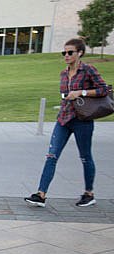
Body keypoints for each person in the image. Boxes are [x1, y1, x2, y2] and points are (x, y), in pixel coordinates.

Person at [25, 38, 109, 208]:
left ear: (80, 53)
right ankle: (41, 194)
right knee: (51, 156)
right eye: (64, 52)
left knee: (85, 157)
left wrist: (81, 92)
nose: (66, 55)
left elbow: (104, 89)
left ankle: (89, 194)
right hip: (63, 119)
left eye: (70, 52)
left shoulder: (88, 70)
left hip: (82, 120)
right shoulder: (63, 74)